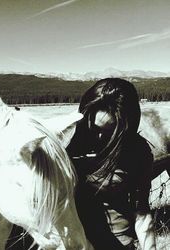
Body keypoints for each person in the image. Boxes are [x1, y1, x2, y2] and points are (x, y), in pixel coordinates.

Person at [67, 78, 156, 250]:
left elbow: (142, 213)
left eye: (109, 133)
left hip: (115, 244)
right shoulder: (70, 142)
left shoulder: (137, 152)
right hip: (73, 242)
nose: (99, 138)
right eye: (95, 128)